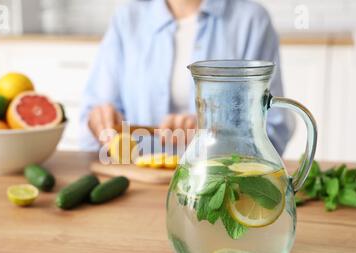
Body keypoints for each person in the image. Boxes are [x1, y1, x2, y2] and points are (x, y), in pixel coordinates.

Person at [78, 0, 294, 155]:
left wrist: (213, 135)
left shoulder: (252, 21)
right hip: (136, 186)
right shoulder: (126, 19)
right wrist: (99, 121)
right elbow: (90, 122)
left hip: (218, 187)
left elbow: (273, 131)